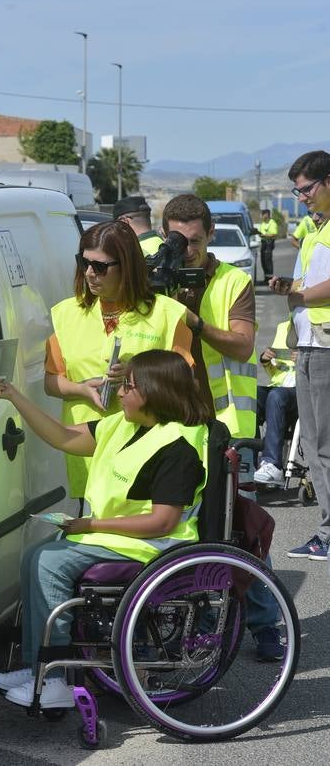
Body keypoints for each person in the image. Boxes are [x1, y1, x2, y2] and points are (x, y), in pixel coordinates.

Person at [0, 350, 210, 709]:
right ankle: (36, 668)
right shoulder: (124, 426)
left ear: (153, 392)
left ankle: (55, 679)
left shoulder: (178, 446)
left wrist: (90, 524)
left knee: (48, 562)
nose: (119, 393)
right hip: (115, 538)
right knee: (35, 557)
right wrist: (14, 396)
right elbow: (62, 437)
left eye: (129, 387)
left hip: (152, 546)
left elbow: (163, 522)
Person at [161, 193, 283, 661]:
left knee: (241, 531)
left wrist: (195, 323)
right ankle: (193, 623)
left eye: (195, 240)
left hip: (228, 427)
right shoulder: (160, 276)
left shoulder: (234, 281)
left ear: (211, 235)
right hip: (174, 423)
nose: (186, 249)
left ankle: (265, 622)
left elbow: (242, 345)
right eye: (178, 239)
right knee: (184, 531)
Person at [44, 220, 193, 502]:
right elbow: (51, 381)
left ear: (127, 266)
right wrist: (82, 389)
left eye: (100, 267)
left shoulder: (167, 314)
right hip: (88, 453)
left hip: (149, 453)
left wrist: (139, 375)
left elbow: (187, 383)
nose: (89, 273)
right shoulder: (65, 314)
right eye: (83, 262)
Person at [270, 150, 330, 562]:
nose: (302, 197)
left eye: (306, 188)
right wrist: (289, 285)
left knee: (323, 443)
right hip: (310, 343)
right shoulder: (314, 230)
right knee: (313, 443)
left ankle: (328, 534)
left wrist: (298, 294)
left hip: (325, 345)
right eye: (297, 190)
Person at [253, 320, 298, 487]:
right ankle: (249, 462)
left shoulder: (321, 327)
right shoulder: (282, 327)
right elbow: (276, 370)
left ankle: (273, 464)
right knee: (254, 394)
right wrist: (266, 360)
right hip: (279, 387)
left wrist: (306, 360)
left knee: (275, 396)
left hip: (303, 391)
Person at [257, 209, 279, 282]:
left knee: (268, 261)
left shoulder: (272, 223)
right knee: (263, 261)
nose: (261, 216)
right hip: (263, 243)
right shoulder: (263, 223)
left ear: (266, 215)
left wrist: (265, 235)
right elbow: (261, 232)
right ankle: (266, 278)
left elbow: (274, 234)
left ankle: (270, 279)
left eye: (262, 215)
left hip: (269, 243)